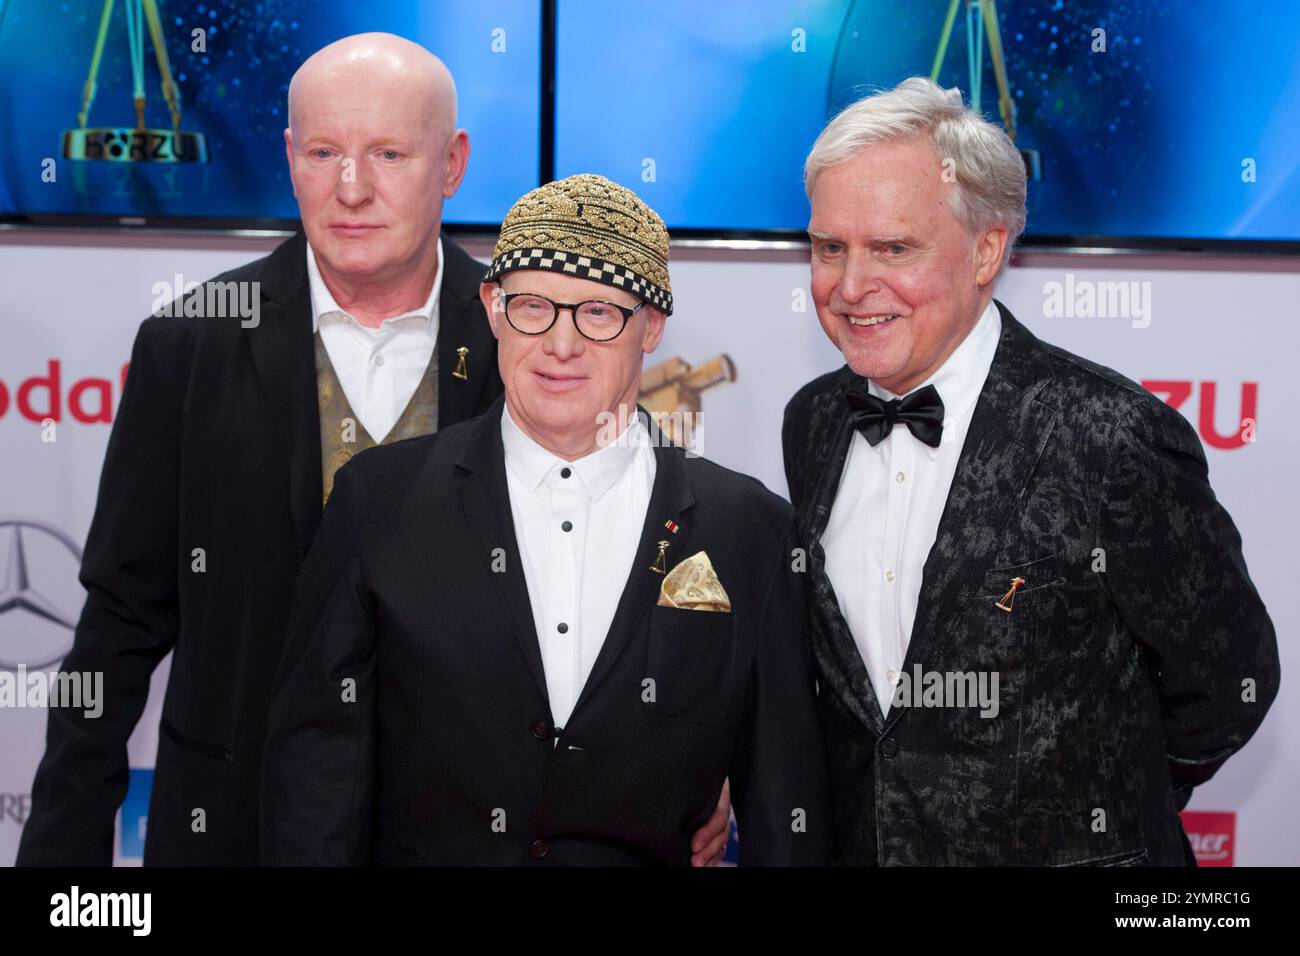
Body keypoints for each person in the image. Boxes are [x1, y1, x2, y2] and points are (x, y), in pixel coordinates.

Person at [18, 33, 504, 865]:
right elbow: (118, 625)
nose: (352, 188)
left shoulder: (527, 342)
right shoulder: (189, 343)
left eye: (388, 152)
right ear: (289, 156)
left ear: (452, 163)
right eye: (324, 152)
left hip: (464, 833)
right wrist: (60, 862)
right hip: (231, 830)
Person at [261, 174, 830, 865]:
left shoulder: (750, 531)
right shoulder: (378, 501)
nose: (561, 344)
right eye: (534, 307)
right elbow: (315, 767)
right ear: (493, 310)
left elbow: (784, 801)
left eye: (598, 312)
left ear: (651, 327)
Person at [783, 77, 1280, 866]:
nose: (848, 287)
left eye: (893, 248)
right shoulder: (813, 419)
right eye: (828, 247)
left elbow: (1228, 684)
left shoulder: (1112, 436)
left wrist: (1103, 802)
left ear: (987, 250)